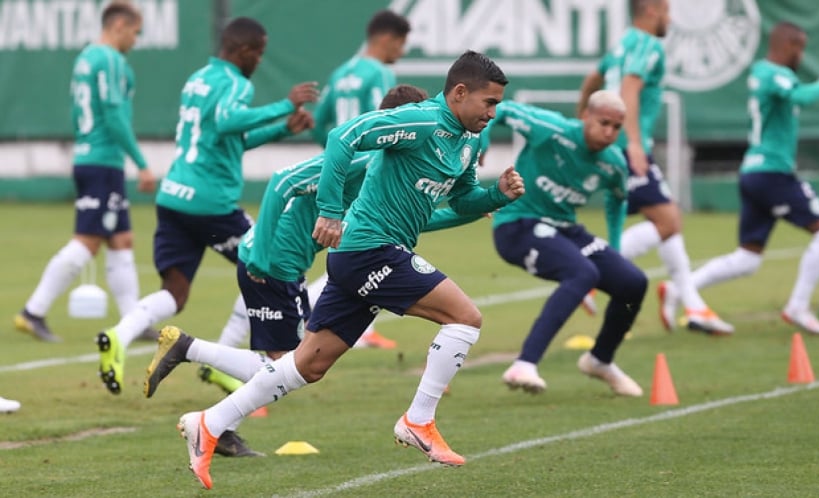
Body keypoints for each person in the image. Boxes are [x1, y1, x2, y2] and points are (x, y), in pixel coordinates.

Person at [170, 50, 523, 489]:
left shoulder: (467, 141)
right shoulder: (420, 121)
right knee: (466, 318)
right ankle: (419, 420)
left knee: (306, 365)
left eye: (497, 105)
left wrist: (498, 196)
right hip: (369, 250)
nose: (493, 113)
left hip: (367, 256)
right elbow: (341, 137)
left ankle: (208, 422)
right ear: (459, 93)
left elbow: (463, 198)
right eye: (488, 103)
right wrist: (330, 211)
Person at [95, 16, 318, 400]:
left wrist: (283, 129)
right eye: (259, 53)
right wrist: (284, 105)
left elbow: (226, 136)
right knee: (260, 259)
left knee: (175, 292)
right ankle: (224, 363)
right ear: (244, 51)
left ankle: (121, 334)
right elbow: (229, 120)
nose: (260, 61)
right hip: (209, 202)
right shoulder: (235, 82)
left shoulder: (199, 78)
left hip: (174, 196)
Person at [578, 0, 733, 335]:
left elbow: (593, 78)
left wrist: (582, 117)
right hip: (629, 147)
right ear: (651, 10)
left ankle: (691, 304)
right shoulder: (648, 45)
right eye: (666, 10)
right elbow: (629, 90)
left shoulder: (622, 43)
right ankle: (591, 269)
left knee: (666, 222)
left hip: (616, 145)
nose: (670, 18)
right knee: (668, 220)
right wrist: (633, 142)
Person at [682, 22, 819, 335]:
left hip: (754, 172)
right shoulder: (775, 73)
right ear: (789, 46)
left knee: (747, 258)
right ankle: (798, 306)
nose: (801, 56)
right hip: (772, 173)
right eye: (800, 49)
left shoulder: (761, 72)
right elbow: (803, 98)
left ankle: (682, 289)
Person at [14, 1, 155, 343]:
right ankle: (33, 311)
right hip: (102, 162)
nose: (135, 41)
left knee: (121, 240)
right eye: (135, 33)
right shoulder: (109, 60)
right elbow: (114, 116)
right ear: (119, 26)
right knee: (88, 242)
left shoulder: (86, 58)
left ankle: (132, 321)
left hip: (93, 159)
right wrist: (141, 162)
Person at [490, 93, 646, 396]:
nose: (610, 133)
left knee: (633, 282)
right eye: (604, 123)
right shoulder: (553, 129)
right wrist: (480, 145)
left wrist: (614, 247)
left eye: (617, 127)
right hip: (518, 224)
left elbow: (617, 201)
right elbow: (503, 109)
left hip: (566, 228)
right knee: (582, 272)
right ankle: (525, 363)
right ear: (586, 116)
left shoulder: (613, 163)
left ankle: (600, 359)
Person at [308, 9, 411, 349]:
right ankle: (310, 307)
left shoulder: (341, 73)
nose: (402, 51)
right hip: (368, 166)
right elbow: (388, 118)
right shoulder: (379, 72)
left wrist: (334, 158)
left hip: (339, 166)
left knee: (351, 242)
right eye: (400, 43)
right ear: (386, 39)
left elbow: (320, 121)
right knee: (368, 242)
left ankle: (359, 328)